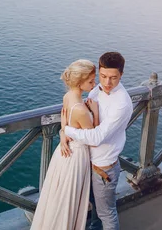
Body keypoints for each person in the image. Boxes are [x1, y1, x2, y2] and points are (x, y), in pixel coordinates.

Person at [63, 52, 132, 230]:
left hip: (104, 166)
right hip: (88, 161)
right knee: (95, 208)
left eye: (113, 78)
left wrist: (66, 130)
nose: (107, 83)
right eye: (103, 76)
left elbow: (96, 137)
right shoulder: (96, 90)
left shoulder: (121, 103)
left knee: (106, 213)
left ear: (121, 75)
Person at [31, 59, 100, 230]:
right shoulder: (81, 110)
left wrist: (63, 133)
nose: (94, 84)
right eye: (91, 81)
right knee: (70, 201)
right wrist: (96, 113)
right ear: (79, 81)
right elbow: (94, 138)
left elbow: (66, 124)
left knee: (57, 198)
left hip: (63, 154)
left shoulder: (67, 97)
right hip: (76, 157)